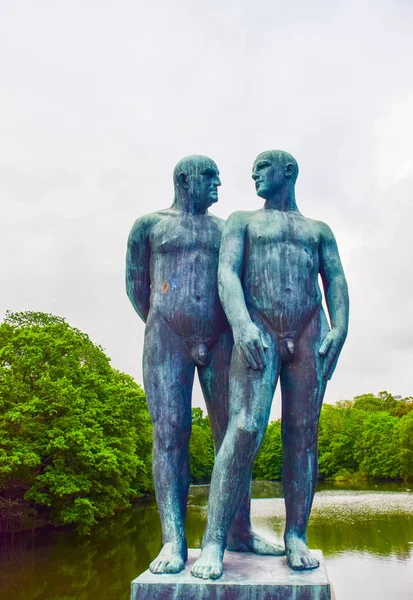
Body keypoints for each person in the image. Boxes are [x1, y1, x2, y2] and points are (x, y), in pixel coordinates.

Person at [191, 150, 349, 579]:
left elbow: (333, 278)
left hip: (309, 329)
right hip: (258, 327)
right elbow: (227, 273)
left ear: (288, 172)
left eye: (262, 168)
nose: (255, 175)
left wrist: (340, 327)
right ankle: (213, 543)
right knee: (243, 428)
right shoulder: (243, 221)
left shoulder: (317, 229)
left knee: (302, 434)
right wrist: (241, 325)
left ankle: (295, 535)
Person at [126, 155, 283, 575]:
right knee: (171, 433)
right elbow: (136, 286)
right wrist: (170, 319)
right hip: (166, 338)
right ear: (184, 179)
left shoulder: (224, 228)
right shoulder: (149, 226)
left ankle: (240, 531)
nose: (218, 185)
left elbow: (239, 277)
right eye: (210, 177)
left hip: (221, 339)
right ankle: (173, 541)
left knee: (233, 435)